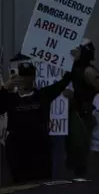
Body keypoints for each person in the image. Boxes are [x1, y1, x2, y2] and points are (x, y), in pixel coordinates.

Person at [1, 54, 72, 183]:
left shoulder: (43, 95)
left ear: (33, 77)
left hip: (39, 147)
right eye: (22, 76)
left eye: (29, 76)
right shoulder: (10, 98)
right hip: (17, 149)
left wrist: (73, 61)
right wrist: (5, 88)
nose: (25, 79)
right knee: (20, 183)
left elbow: (64, 82)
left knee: (41, 182)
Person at [67, 39, 99, 176]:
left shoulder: (89, 71)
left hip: (87, 114)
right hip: (77, 113)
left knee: (84, 148)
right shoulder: (77, 69)